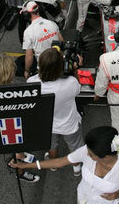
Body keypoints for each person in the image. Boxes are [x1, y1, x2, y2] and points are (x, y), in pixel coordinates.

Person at [9, 126, 119, 203]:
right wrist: (26, 166)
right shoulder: (87, 150)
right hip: (83, 197)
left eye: (91, 155)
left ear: (105, 156)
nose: (86, 155)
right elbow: (61, 162)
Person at [27, 48, 83, 176]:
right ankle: (76, 167)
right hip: (69, 124)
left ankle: (53, 164)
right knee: (74, 146)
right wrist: (75, 70)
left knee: (52, 146)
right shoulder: (70, 82)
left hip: (48, 125)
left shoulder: (32, 83)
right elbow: (78, 89)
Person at [0, 54, 40, 183]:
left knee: (15, 146)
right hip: (11, 126)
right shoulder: (14, 90)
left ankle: (18, 156)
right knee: (16, 147)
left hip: (3, 127)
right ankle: (19, 171)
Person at [21, 1, 63, 79]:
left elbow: (29, 57)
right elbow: (61, 42)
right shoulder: (52, 23)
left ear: (27, 14)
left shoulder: (28, 32)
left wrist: (27, 70)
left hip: (44, 68)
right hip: (58, 64)